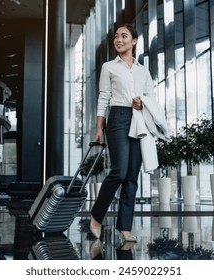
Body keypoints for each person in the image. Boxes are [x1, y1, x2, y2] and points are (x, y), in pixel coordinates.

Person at [89, 23, 160, 243]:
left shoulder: (143, 70)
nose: (119, 40)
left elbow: (151, 97)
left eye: (124, 36)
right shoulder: (109, 67)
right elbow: (103, 98)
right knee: (119, 172)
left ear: (134, 41)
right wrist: (99, 127)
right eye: (116, 37)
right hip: (118, 118)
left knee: (131, 176)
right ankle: (96, 216)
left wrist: (143, 103)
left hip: (139, 120)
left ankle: (125, 227)